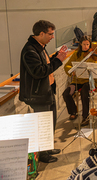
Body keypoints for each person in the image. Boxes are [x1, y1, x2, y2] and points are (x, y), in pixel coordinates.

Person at [19, 20, 68, 163]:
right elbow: (39, 72)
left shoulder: (40, 46)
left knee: (49, 122)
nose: (53, 36)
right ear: (41, 33)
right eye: (50, 34)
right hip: (38, 95)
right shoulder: (29, 50)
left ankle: (47, 148)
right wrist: (58, 60)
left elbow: (45, 64)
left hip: (46, 91)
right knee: (41, 125)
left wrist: (55, 57)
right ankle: (43, 155)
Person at [63, 36, 97, 126]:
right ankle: (73, 112)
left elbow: (96, 68)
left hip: (89, 81)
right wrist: (72, 71)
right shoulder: (76, 54)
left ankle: (85, 117)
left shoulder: (93, 55)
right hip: (77, 80)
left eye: (87, 44)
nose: (86, 46)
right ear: (80, 44)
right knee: (66, 93)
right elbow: (67, 66)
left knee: (84, 92)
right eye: (84, 44)